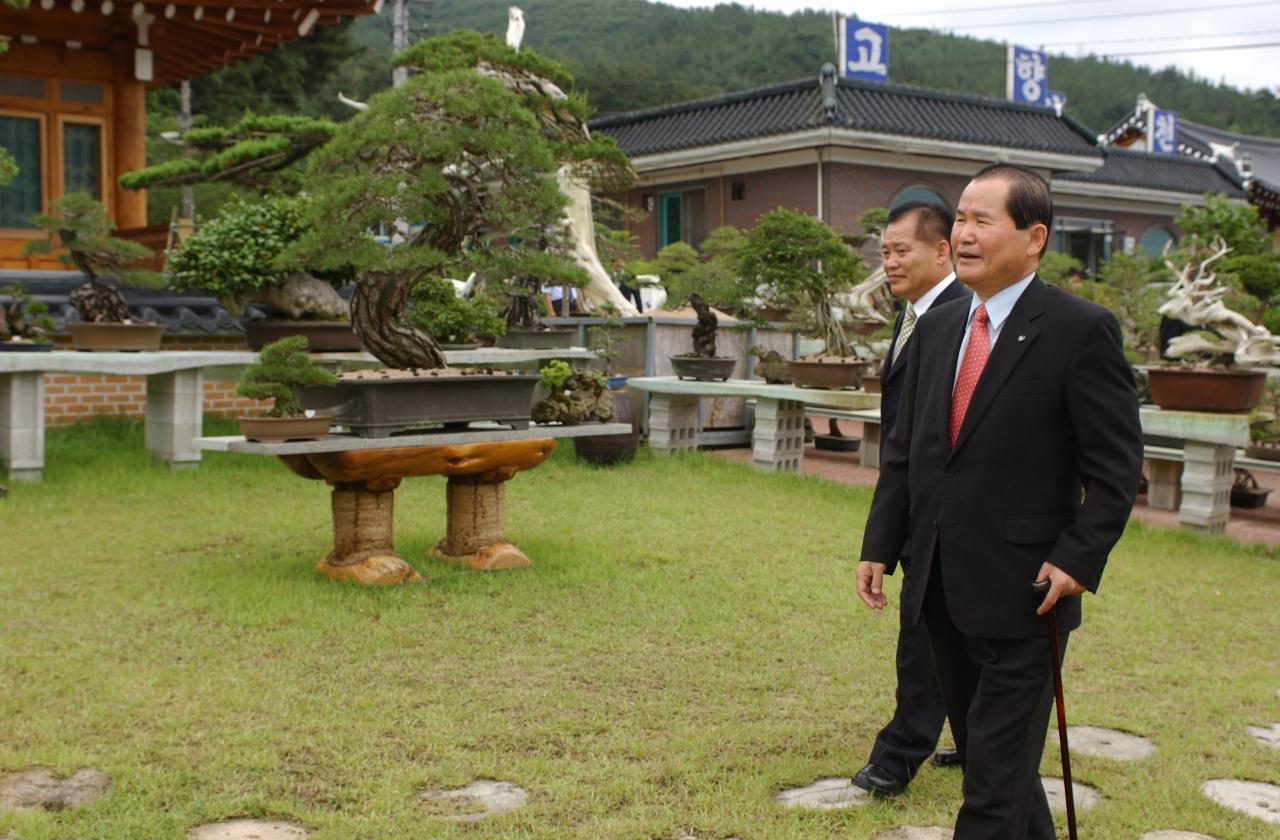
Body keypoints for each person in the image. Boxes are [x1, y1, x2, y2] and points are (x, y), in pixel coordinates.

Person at [856, 163, 1142, 838]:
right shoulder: (938, 325)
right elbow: (907, 453)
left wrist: (1079, 556)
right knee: (996, 765)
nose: (965, 233)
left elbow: (1118, 464)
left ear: (1034, 237)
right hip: (942, 586)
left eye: (984, 220)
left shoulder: (1079, 330)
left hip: (1028, 594)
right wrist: (880, 544)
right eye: (960, 218)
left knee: (987, 794)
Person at [851, 200, 971, 798]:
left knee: (924, 635)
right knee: (944, 633)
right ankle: (978, 741)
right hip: (920, 508)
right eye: (885, 252)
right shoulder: (913, 315)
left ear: (941, 250)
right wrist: (880, 543)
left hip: (960, 514)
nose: (889, 262)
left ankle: (899, 754)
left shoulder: (965, 317)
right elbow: (899, 445)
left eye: (901, 251)